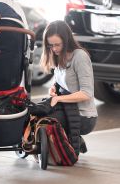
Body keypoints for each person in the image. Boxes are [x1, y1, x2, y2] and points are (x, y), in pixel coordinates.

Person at [40, 20, 98, 155]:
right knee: (39, 115)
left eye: (57, 45)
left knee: (47, 121)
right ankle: (70, 140)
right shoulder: (58, 55)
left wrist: (59, 99)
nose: (54, 49)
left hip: (84, 116)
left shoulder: (80, 57)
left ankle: (70, 141)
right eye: (50, 46)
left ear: (66, 41)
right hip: (68, 109)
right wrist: (53, 89)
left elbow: (86, 93)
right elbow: (59, 82)